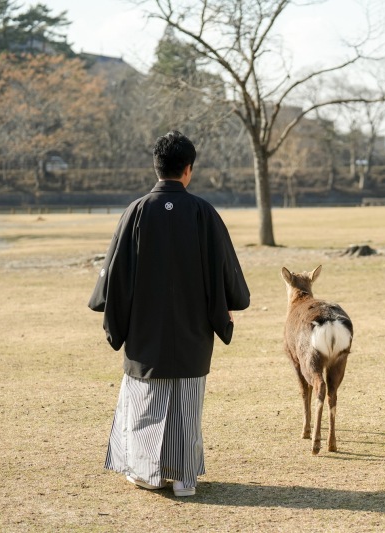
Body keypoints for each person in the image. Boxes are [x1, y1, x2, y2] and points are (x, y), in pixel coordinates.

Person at [88, 131, 250, 497]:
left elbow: (115, 276)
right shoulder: (203, 213)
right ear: (188, 170)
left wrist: (115, 318)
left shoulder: (137, 211)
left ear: (156, 167)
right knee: (186, 408)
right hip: (192, 331)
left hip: (146, 332)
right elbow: (226, 272)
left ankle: (148, 474)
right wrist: (226, 307)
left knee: (146, 402)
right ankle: (183, 479)